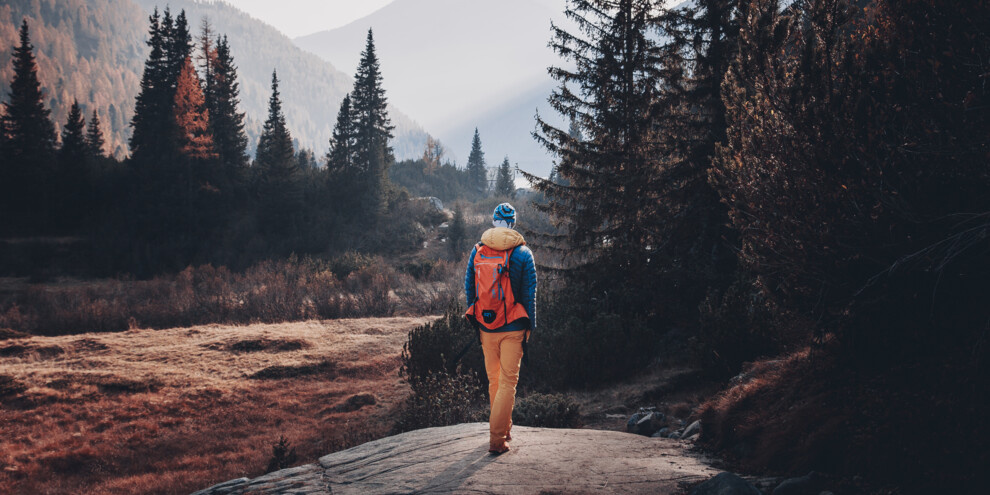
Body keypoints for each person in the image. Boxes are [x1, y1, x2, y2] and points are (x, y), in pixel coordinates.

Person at [464, 202, 537, 454]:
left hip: (486, 327)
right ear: (513, 224)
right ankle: (497, 440)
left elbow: (469, 289)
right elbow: (529, 295)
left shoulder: (477, 251)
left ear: (494, 221)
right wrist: (530, 328)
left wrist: (477, 321)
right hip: (513, 327)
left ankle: (504, 429)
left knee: (495, 380)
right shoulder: (523, 254)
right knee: (508, 382)